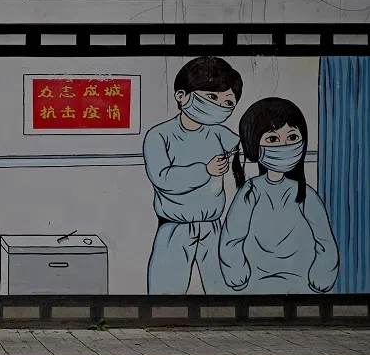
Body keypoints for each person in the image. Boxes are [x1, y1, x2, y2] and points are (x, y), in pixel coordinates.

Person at [143, 56, 245, 294]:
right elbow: (163, 179)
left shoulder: (219, 133)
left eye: (227, 102)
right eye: (212, 97)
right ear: (182, 96)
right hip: (174, 228)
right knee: (164, 294)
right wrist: (205, 170)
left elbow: (245, 145)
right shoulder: (160, 135)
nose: (219, 106)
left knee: (223, 292)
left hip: (213, 227)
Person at [220, 97, 339, 294]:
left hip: (303, 286)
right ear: (254, 146)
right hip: (254, 287)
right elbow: (231, 239)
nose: (284, 146)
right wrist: (237, 275)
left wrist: (322, 276)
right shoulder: (250, 193)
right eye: (273, 139)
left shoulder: (305, 194)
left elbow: (325, 240)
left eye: (292, 138)